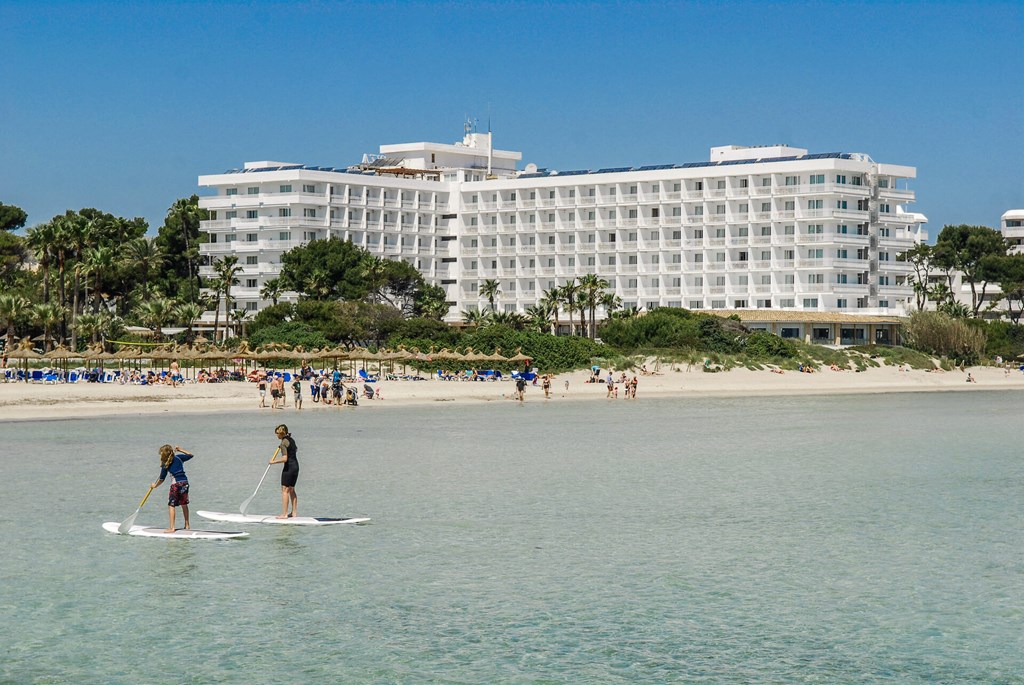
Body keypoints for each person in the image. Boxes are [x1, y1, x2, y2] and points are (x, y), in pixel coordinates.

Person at [151, 444, 194, 532]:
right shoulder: (179, 458)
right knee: (184, 504)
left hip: (176, 484)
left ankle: (172, 528)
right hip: (185, 482)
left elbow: (161, 479)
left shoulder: (165, 464)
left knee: (171, 505)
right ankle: (187, 525)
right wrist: (180, 449)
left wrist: (155, 486)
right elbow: (190, 455)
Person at [269, 425, 298, 518]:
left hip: (289, 468)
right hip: (296, 466)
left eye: (277, 434)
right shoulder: (291, 439)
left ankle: (284, 514)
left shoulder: (283, 443)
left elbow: (285, 458)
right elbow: (295, 449)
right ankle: (294, 513)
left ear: (281, 433)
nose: (276, 435)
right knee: (292, 489)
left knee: (285, 490)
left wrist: (273, 462)